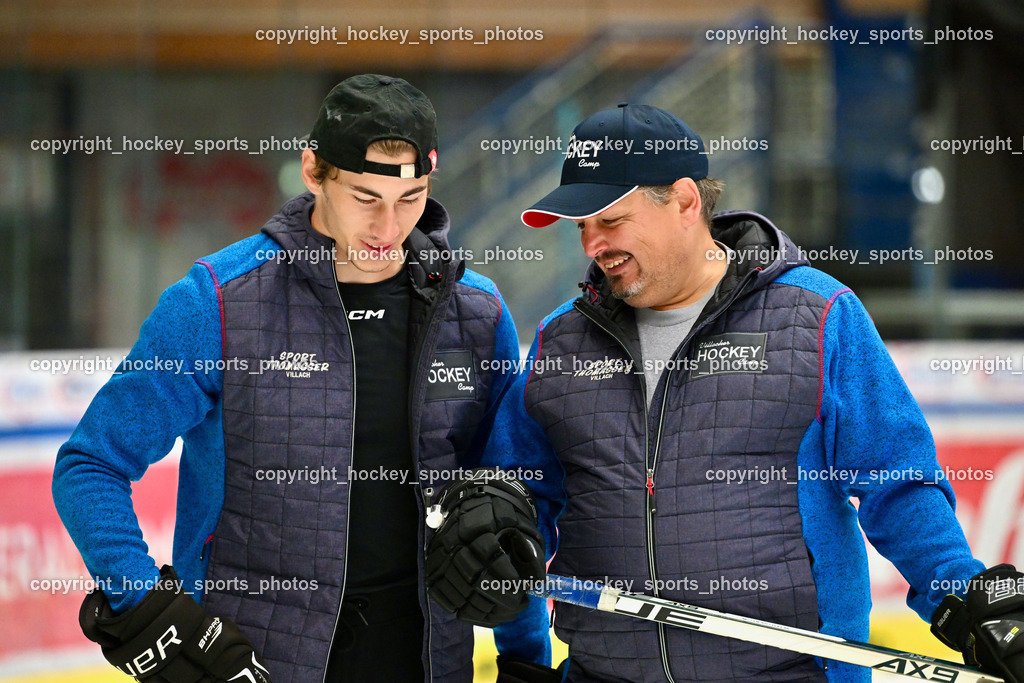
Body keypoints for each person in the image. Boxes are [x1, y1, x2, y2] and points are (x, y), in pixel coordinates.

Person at [425, 103, 1024, 682]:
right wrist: (517, 635)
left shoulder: (817, 315)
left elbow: (897, 484)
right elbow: (515, 507)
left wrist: (967, 599)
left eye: (609, 220)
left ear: (685, 201)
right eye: (582, 226)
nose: (591, 245)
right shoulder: (561, 341)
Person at [53, 74, 550, 683]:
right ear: (314, 171)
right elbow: (92, 465)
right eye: (366, 197)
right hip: (250, 661)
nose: (389, 227)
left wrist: (526, 659)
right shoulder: (218, 301)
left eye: (411, 198)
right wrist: (149, 612)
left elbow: (504, 510)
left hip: (427, 661)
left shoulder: (476, 312)